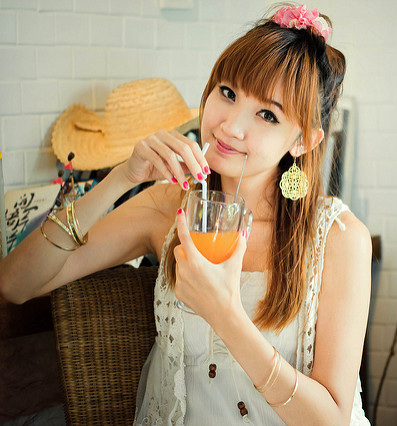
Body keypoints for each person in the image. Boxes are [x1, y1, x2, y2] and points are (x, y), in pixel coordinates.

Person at [0, 3, 371, 425]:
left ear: (303, 141)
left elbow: (332, 419)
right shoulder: (169, 207)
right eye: (228, 93)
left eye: (267, 114)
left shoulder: (338, 237)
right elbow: (15, 284)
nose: (230, 126)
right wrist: (122, 177)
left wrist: (225, 315)